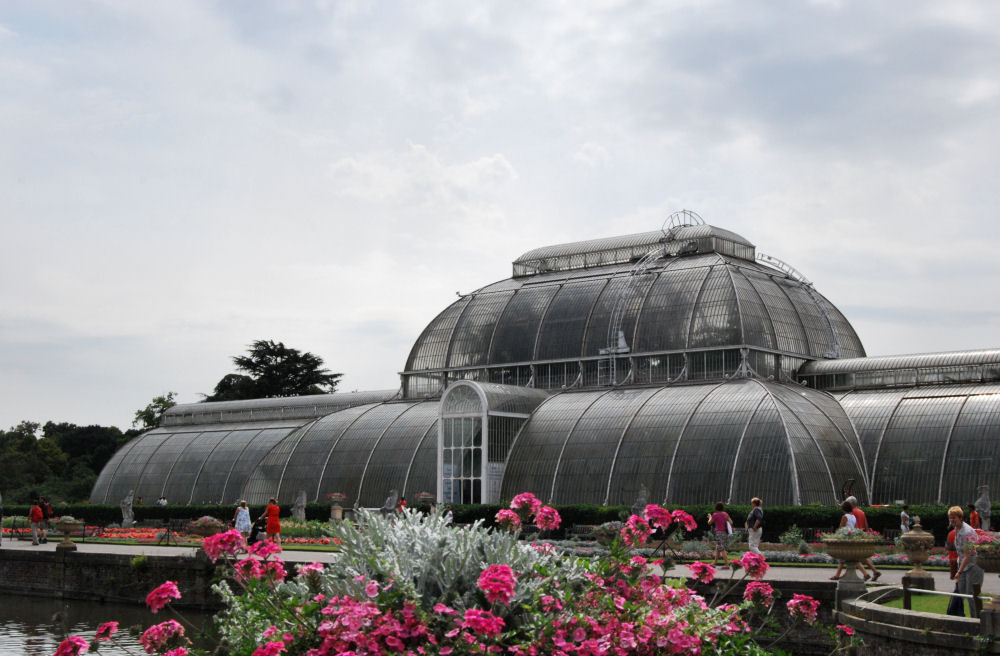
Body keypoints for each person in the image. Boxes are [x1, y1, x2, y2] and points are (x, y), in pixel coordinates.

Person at [951, 505, 984, 617]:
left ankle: (977, 621)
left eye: (954, 517)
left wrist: (958, 572)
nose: (951, 520)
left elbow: (967, 555)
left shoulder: (967, 532)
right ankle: (961, 618)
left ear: (960, 517)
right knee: (960, 592)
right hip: (964, 565)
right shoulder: (956, 529)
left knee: (972, 595)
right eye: (950, 518)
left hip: (974, 565)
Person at [845, 496, 881, 581]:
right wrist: (867, 535)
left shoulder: (852, 513)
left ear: (851, 504)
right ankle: (875, 571)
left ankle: (865, 574)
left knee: (852, 556)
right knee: (862, 557)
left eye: (847, 503)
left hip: (854, 536)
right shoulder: (861, 512)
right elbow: (866, 525)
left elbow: (852, 525)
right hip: (861, 535)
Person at [830, 500, 867, 580]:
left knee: (843, 557)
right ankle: (864, 573)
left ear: (844, 509)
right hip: (852, 538)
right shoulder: (853, 517)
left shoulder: (845, 517)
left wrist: (836, 535)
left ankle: (837, 575)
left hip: (845, 538)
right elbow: (856, 528)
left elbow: (841, 528)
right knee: (849, 558)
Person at [708, 502, 733, 567]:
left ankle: (727, 564)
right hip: (725, 532)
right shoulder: (725, 514)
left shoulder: (715, 515)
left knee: (722, 549)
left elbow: (709, 523)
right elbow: (731, 522)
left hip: (719, 533)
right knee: (718, 548)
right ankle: (714, 563)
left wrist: (710, 517)